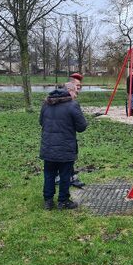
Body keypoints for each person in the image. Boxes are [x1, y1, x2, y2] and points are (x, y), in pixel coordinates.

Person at [39, 82, 88, 210]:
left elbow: (41, 122)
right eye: (75, 92)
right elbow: (82, 126)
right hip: (65, 147)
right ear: (69, 91)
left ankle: (48, 201)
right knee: (65, 174)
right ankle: (63, 201)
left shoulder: (46, 104)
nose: (76, 95)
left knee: (49, 174)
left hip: (48, 146)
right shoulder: (72, 105)